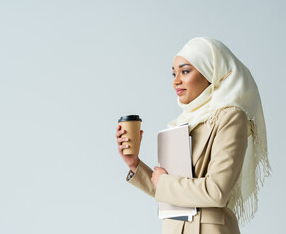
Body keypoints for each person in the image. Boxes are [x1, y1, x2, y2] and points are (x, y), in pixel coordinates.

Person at [115, 37, 271, 234]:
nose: (176, 81)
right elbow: (173, 191)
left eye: (185, 71)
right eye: (173, 74)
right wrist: (134, 164)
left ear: (210, 72)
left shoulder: (230, 116)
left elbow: (217, 192)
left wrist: (164, 182)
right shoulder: (184, 122)